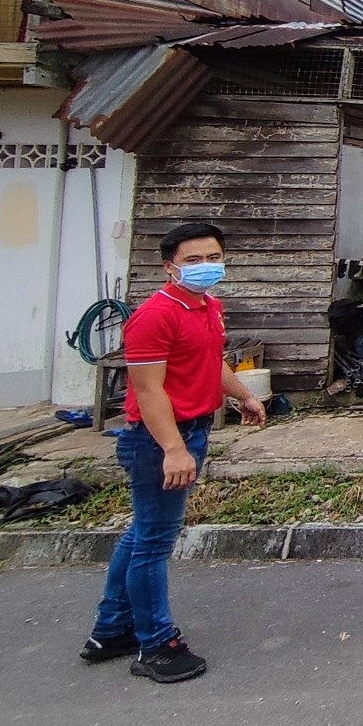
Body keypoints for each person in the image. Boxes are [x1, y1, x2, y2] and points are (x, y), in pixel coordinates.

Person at [80, 221, 266, 683]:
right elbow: (147, 392)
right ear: (170, 267)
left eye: (213, 257)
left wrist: (242, 394)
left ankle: (111, 630)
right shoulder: (154, 316)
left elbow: (210, 360)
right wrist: (174, 449)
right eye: (193, 260)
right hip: (158, 438)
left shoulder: (206, 306)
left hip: (191, 430)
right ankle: (156, 646)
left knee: (143, 532)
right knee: (154, 542)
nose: (206, 267)